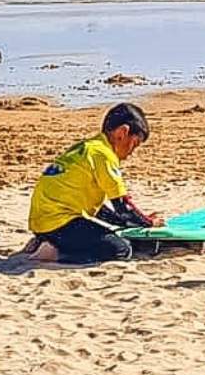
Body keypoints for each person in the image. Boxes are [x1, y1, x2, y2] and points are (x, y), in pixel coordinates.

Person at [22, 103, 162, 264]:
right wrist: (149, 223)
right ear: (122, 133)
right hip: (60, 223)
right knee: (121, 249)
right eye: (134, 144)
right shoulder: (104, 155)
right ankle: (56, 253)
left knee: (105, 236)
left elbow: (97, 209)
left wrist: (128, 223)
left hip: (42, 224)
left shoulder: (88, 147)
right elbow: (123, 206)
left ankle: (43, 241)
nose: (132, 152)